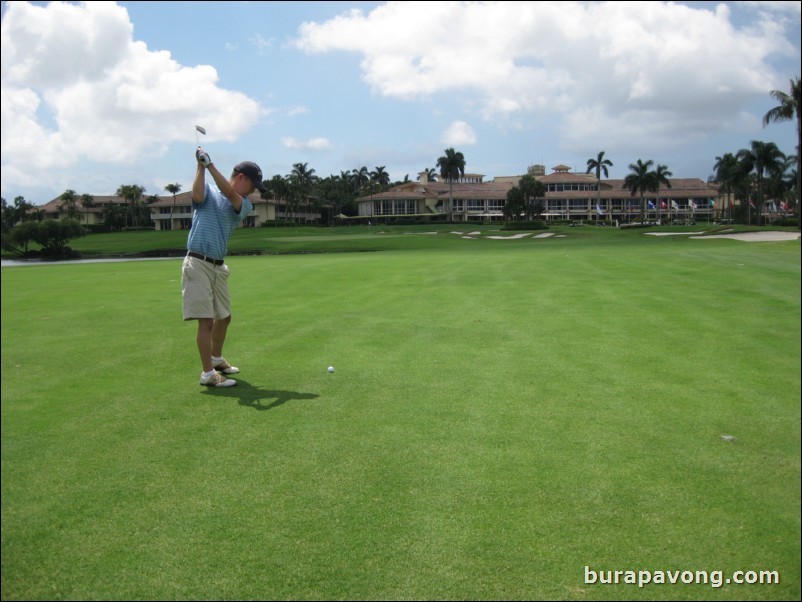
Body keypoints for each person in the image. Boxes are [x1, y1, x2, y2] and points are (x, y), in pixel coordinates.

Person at [182, 146, 265, 387]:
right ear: (242, 177)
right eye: (253, 185)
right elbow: (197, 196)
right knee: (206, 321)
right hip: (197, 262)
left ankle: (216, 359)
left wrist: (210, 165)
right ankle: (208, 374)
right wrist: (200, 166)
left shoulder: (244, 204)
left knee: (224, 317)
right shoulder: (207, 190)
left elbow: (229, 195)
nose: (254, 190)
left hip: (218, 266)